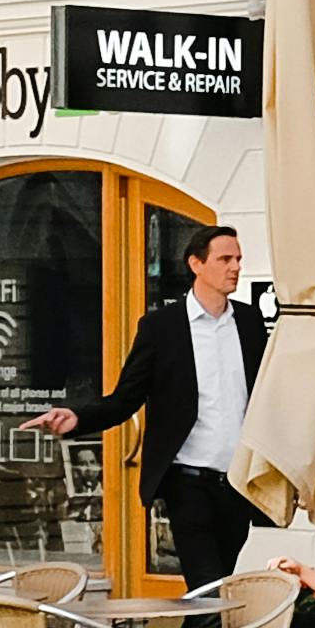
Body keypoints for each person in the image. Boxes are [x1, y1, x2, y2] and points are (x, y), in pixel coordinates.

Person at [28, 220, 271, 590]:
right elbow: (126, 399)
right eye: (225, 259)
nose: (235, 267)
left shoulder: (250, 322)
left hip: (238, 484)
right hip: (188, 483)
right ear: (196, 264)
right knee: (208, 589)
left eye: (238, 258)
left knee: (216, 589)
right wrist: (77, 417)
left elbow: (266, 397)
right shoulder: (162, 327)